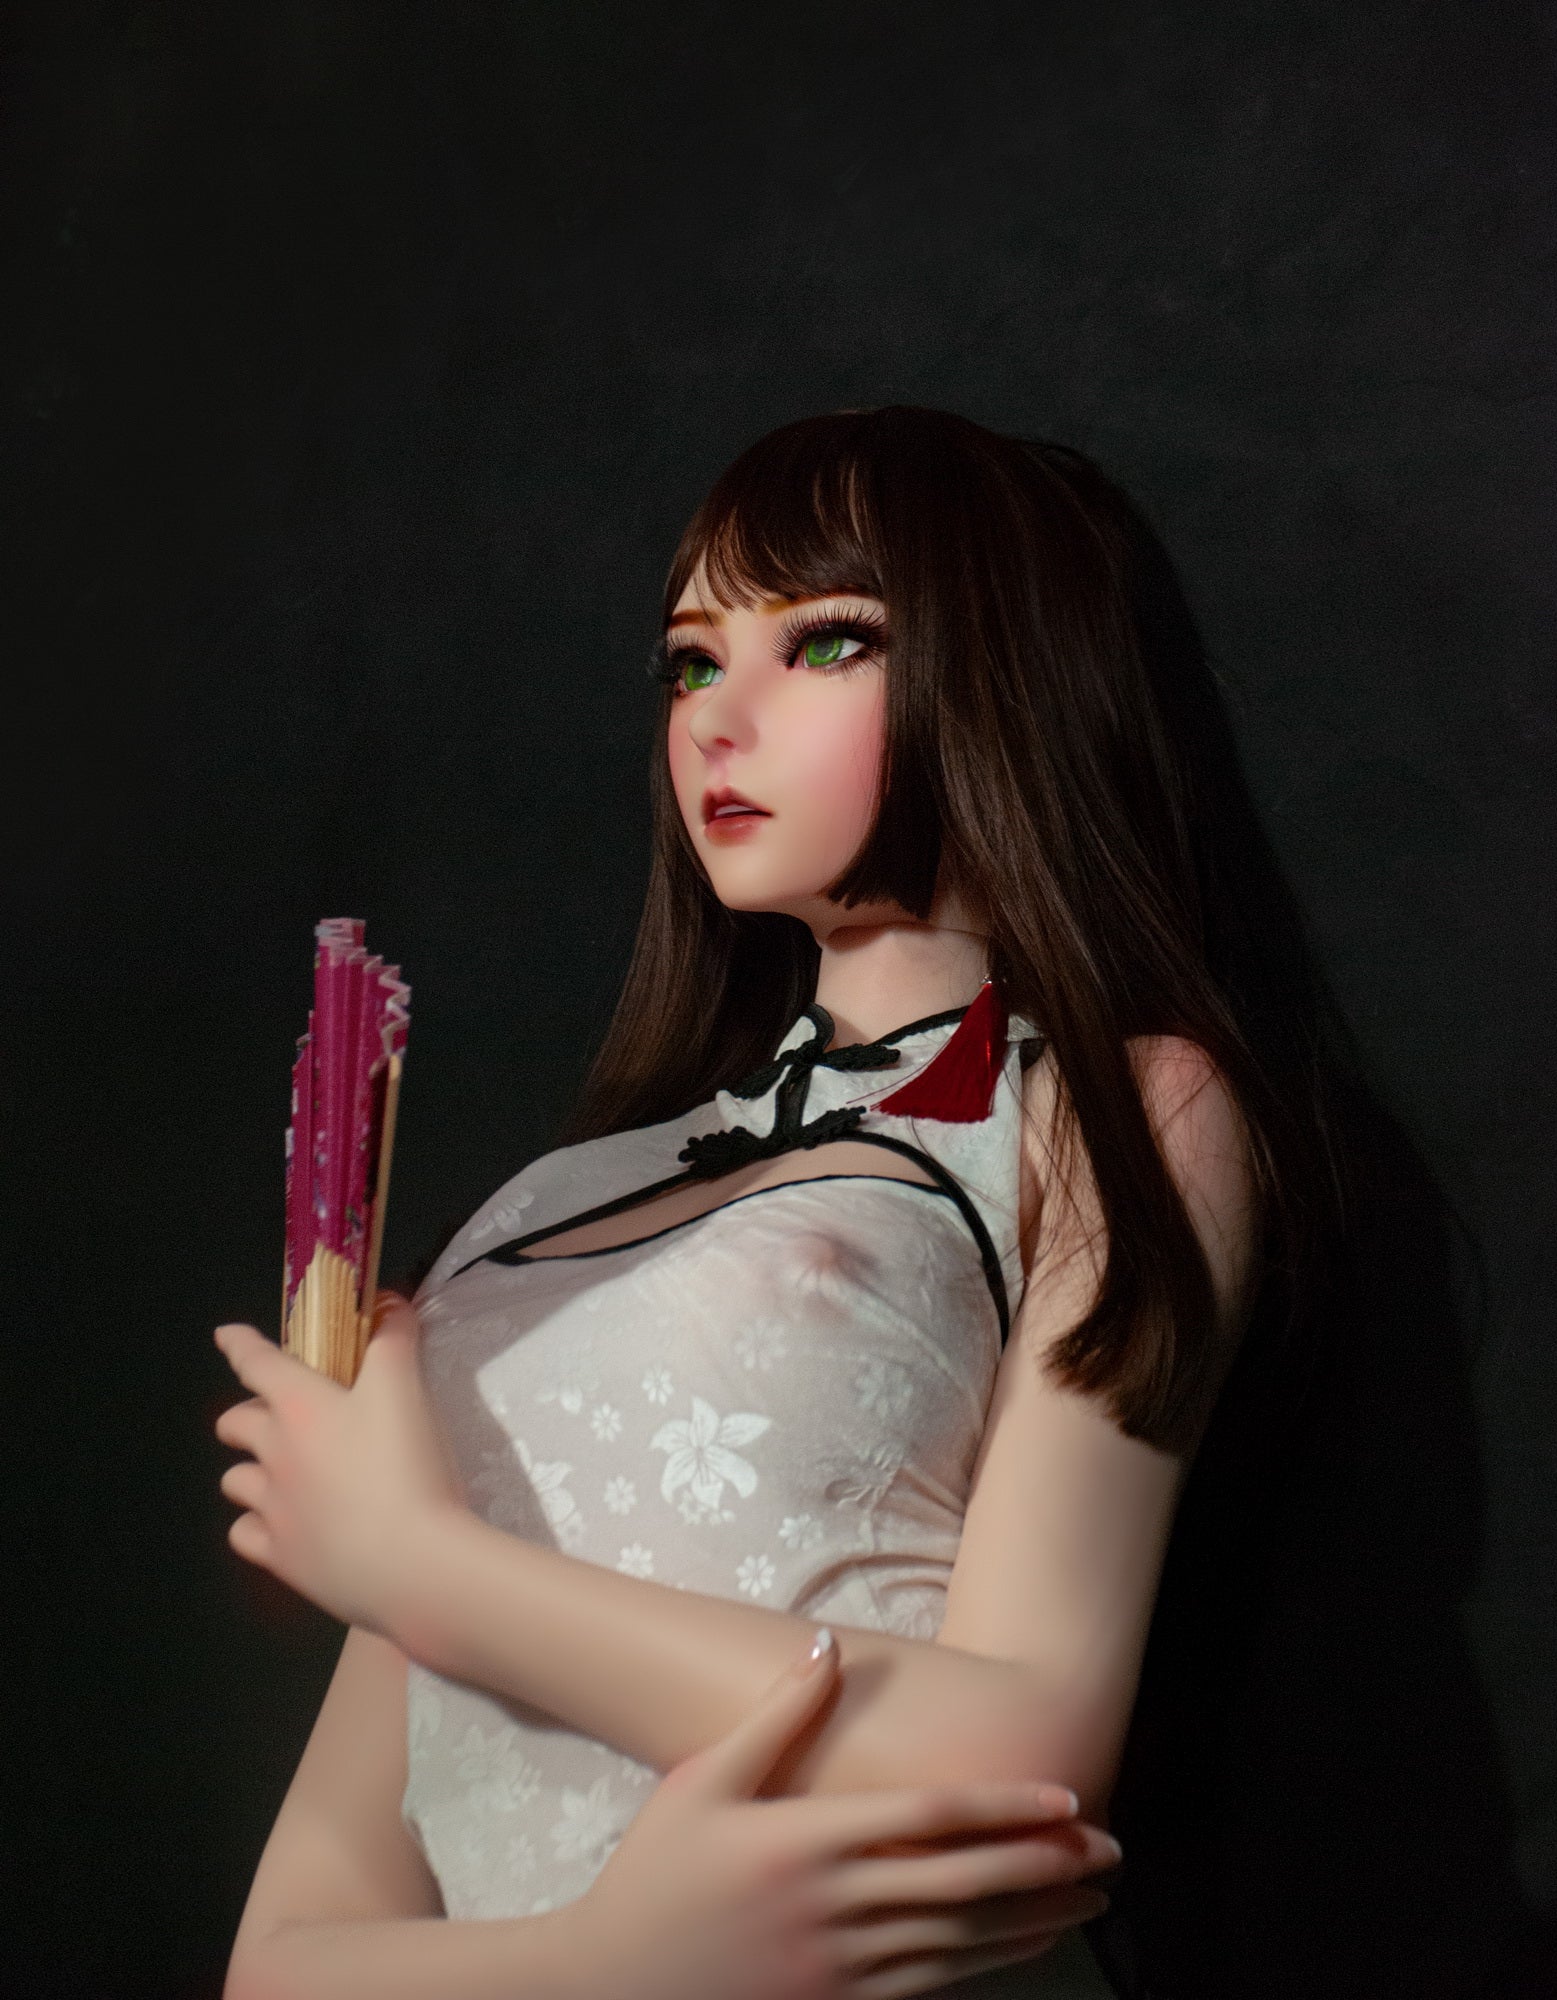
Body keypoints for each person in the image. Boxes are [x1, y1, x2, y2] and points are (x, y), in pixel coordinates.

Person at [214, 406, 1347, 1997]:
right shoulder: (550, 1200)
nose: (716, 721)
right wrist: (604, 1963)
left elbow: (1027, 1753)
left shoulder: (1113, 1108)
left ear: (1004, 672)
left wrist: (418, 1570)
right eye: (691, 663)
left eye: (824, 643)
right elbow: (281, 1962)